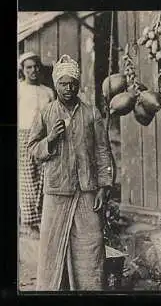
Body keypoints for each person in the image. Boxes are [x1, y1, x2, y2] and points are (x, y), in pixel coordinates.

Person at [28, 55, 113, 291]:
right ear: (56, 85)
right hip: (57, 191)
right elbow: (32, 150)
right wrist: (51, 139)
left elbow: (103, 151)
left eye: (73, 83)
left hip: (87, 190)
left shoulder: (91, 113)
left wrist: (104, 187)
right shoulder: (45, 114)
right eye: (64, 83)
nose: (69, 88)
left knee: (91, 246)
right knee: (52, 249)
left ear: (78, 84)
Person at [18, 52, 56, 237]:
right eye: (29, 67)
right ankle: (29, 222)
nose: (33, 71)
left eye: (36, 67)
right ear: (23, 70)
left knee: (43, 176)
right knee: (27, 177)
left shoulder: (47, 92)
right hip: (23, 134)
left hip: (43, 136)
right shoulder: (19, 90)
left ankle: (42, 219)